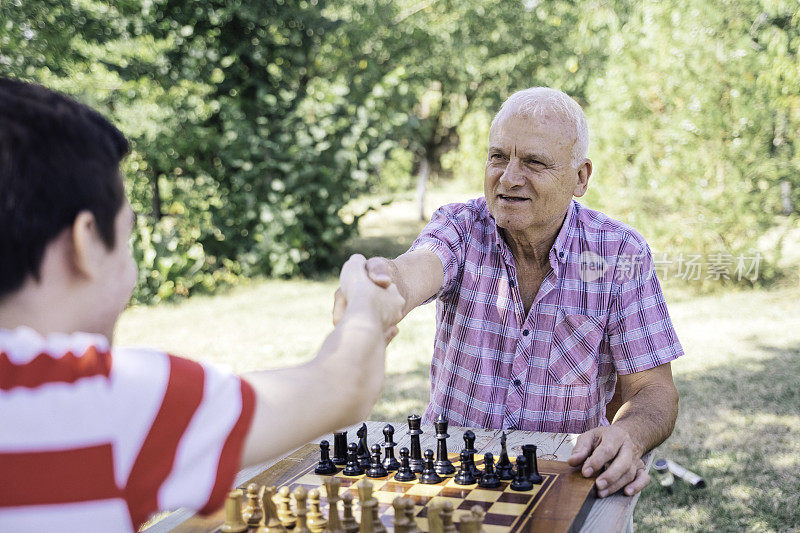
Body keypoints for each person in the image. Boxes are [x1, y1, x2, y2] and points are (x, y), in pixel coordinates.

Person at [0, 78, 404, 531]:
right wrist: (366, 302)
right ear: (87, 242)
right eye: (128, 237)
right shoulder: (104, 400)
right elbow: (343, 388)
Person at [334, 87, 684, 499]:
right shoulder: (462, 227)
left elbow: (653, 390)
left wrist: (629, 435)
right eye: (498, 156)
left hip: (564, 477)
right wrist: (379, 285)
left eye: (534, 162)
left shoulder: (619, 253)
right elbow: (415, 270)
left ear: (581, 177)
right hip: (452, 478)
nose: (509, 177)